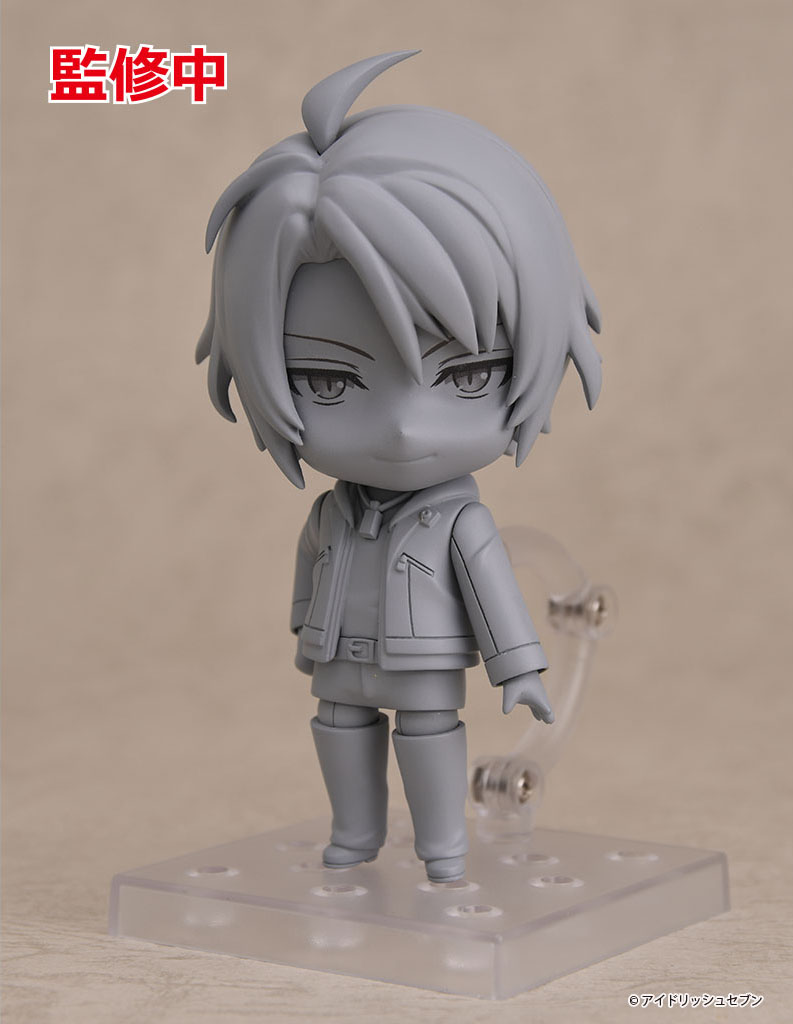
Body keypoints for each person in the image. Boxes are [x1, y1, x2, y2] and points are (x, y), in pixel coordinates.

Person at [196, 51, 601, 882]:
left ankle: (441, 846)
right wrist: (305, 631)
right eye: (327, 382)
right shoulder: (331, 513)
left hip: (424, 660)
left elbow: (491, 590)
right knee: (339, 727)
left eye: (468, 376)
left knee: (426, 733)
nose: (406, 427)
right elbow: (309, 571)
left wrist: (520, 669)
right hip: (339, 650)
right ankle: (354, 836)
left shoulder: (459, 518)